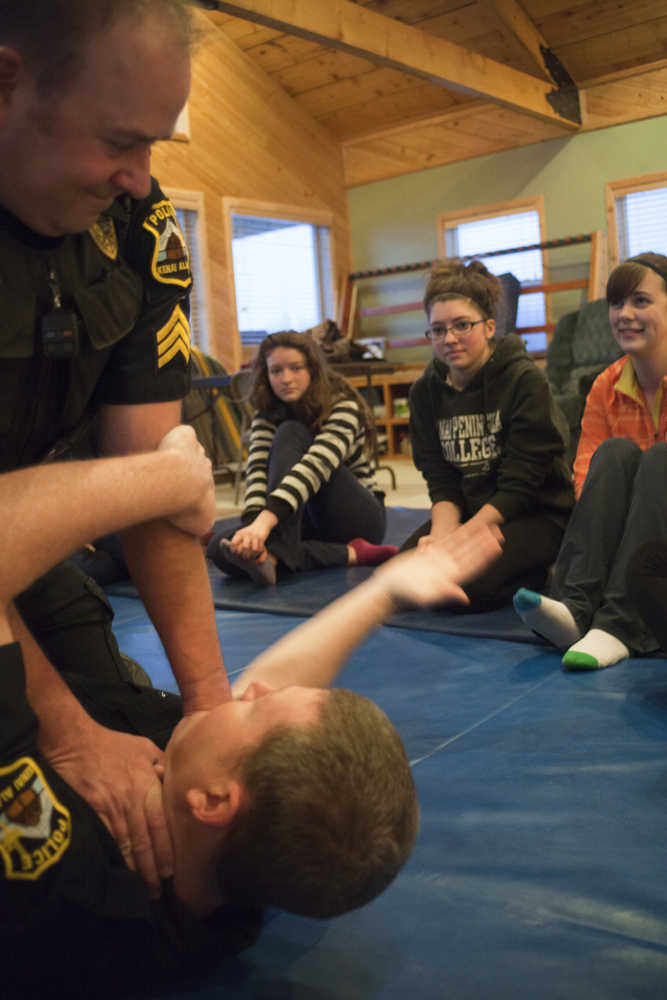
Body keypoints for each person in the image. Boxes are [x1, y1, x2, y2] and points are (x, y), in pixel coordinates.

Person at [0, 441, 503, 996]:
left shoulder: (59, 871)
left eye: (254, 707)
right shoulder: (227, 866)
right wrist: (385, 593)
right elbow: (275, 698)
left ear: (215, 802)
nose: (256, 687)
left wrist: (171, 479)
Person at [0, 0, 232, 891]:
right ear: (8, 84)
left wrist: (208, 708)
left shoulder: (138, 226)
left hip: (31, 551)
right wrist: (61, 732)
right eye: (117, 141)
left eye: (155, 147)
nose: (139, 177)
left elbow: (158, 481)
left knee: (162, 764)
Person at [513, 252, 667, 669]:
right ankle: (576, 610)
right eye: (616, 304)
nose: (624, 314)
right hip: (628, 545)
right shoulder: (607, 384)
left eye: (640, 301)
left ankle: (620, 625)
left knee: (660, 461)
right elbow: (586, 474)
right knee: (613, 454)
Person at [401, 258, 573, 610]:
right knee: (403, 578)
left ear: (490, 326)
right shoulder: (425, 393)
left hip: (536, 515)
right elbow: (442, 481)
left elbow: (519, 488)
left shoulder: (525, 381)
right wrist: (441, 538)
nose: (449, 338)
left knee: (462, 589)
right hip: (471, 513)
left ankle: (541, 572)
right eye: (438, 329)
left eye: (462, 325)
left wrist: (456, 545)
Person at [207, 331, 398, 585]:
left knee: (290, 431)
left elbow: (316, 466)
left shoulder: (343, 406)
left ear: (313, 370)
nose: (286, 379)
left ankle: (281, 548)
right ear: (267, 375)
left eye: (296, 368)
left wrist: (264, 524)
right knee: (219, 548)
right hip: (302, 519)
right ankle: (348, 554)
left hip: (356, 519)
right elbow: (257, 474)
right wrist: (253, 534)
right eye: (276, 371)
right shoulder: (265, 415)